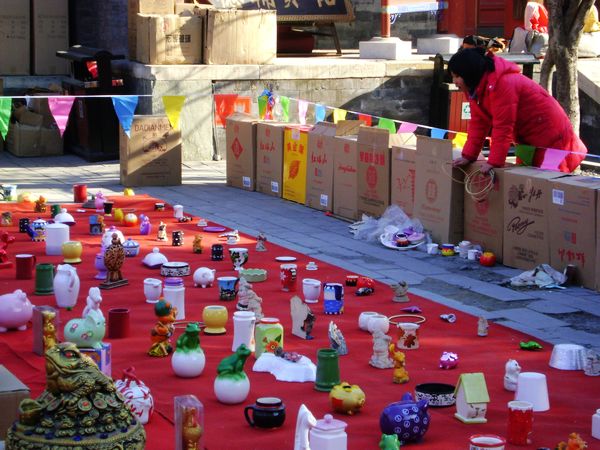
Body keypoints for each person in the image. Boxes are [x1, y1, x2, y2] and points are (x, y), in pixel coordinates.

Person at [449, 47, 587, 174]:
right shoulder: (476, 90)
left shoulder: (502, 84)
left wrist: (494, 162)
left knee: (549, 186)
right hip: (526, 141)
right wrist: (468, 156)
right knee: (526, 186)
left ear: (469, 72)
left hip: (552, 137)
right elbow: (478, 123)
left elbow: (503, 126)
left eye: (457, 76)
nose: (454, 81)